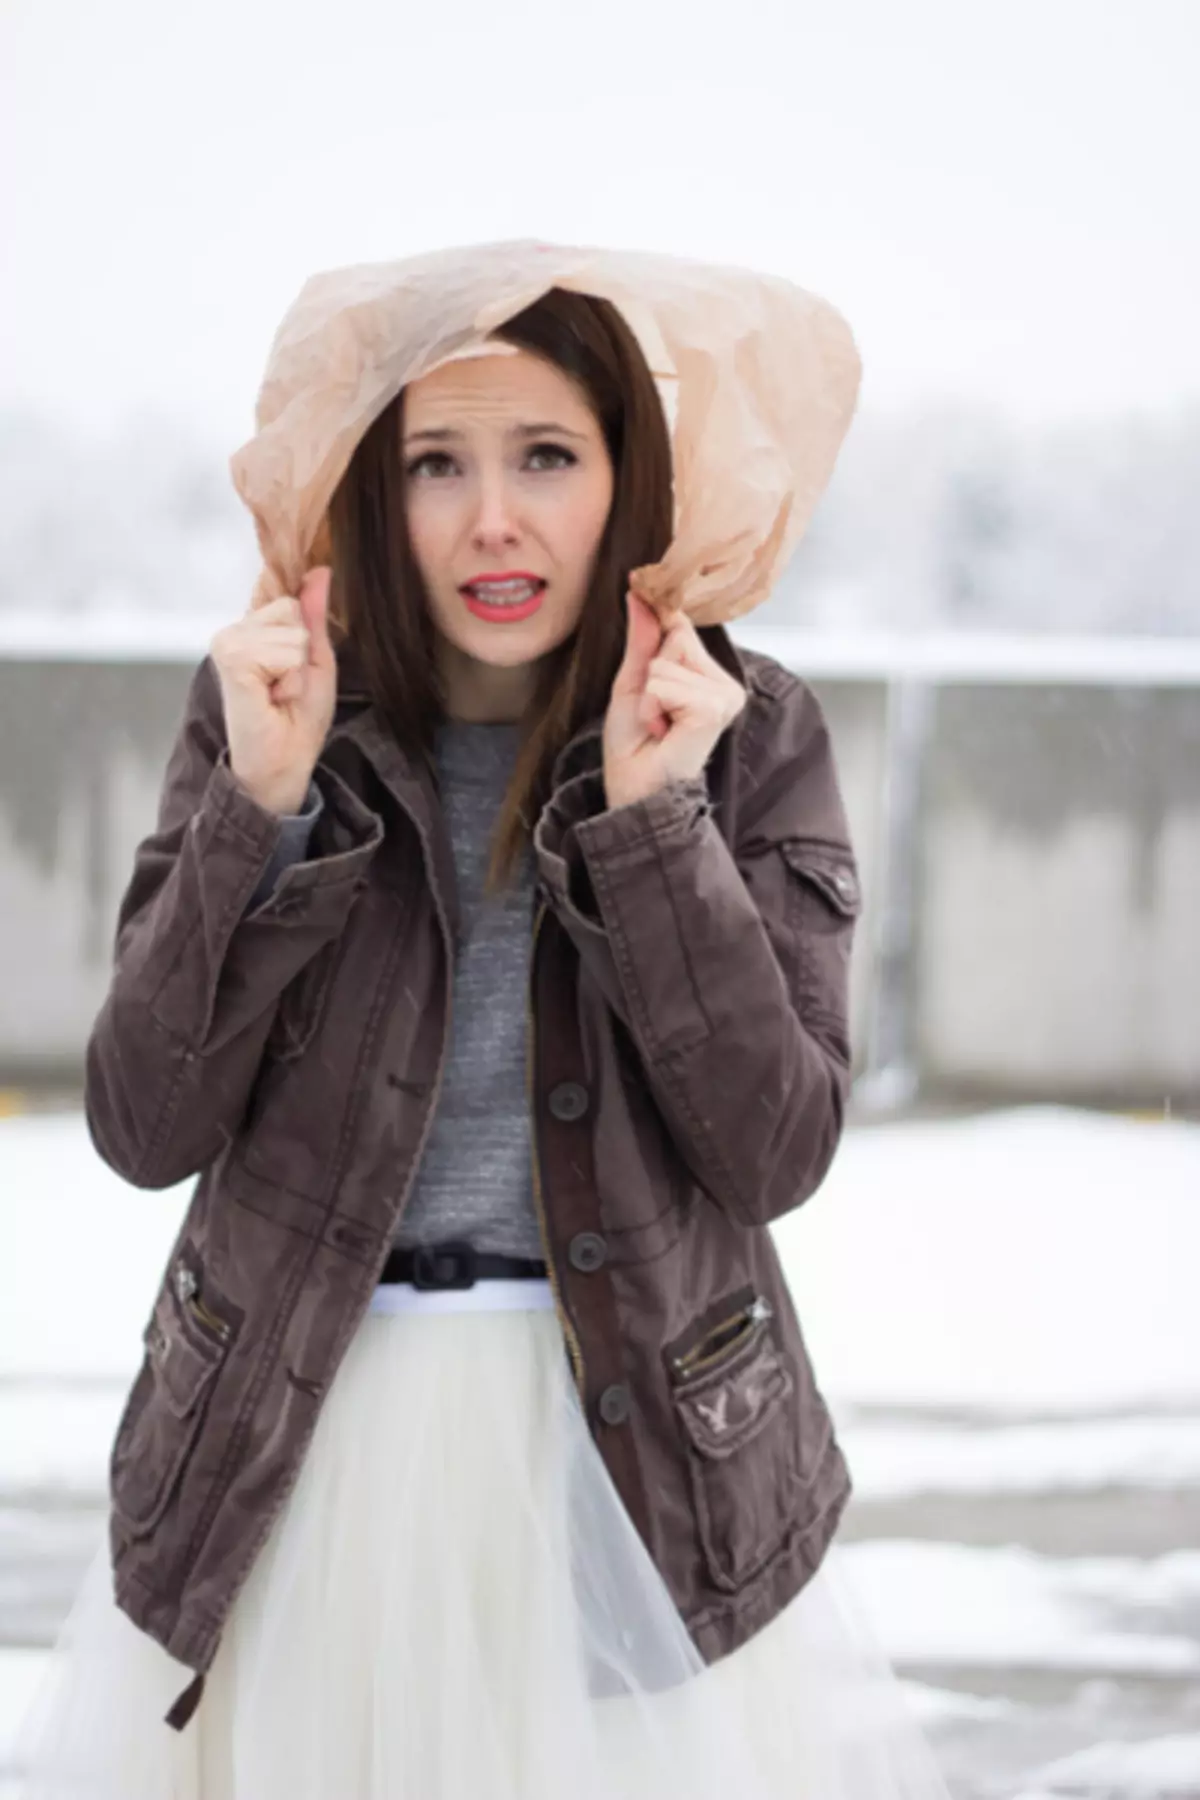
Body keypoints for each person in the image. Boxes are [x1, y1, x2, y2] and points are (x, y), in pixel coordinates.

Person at [14, 254, 954, 1799]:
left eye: (545, 458)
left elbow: (774, 1145)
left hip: (634, 1448)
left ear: (625, 483)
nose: (490, 519)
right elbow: (142, 1122)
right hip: (302, 1440)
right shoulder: (275, 712)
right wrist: (258, 807)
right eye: (433, 465)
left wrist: (657, 829)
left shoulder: (741, 730)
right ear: (371, 499)